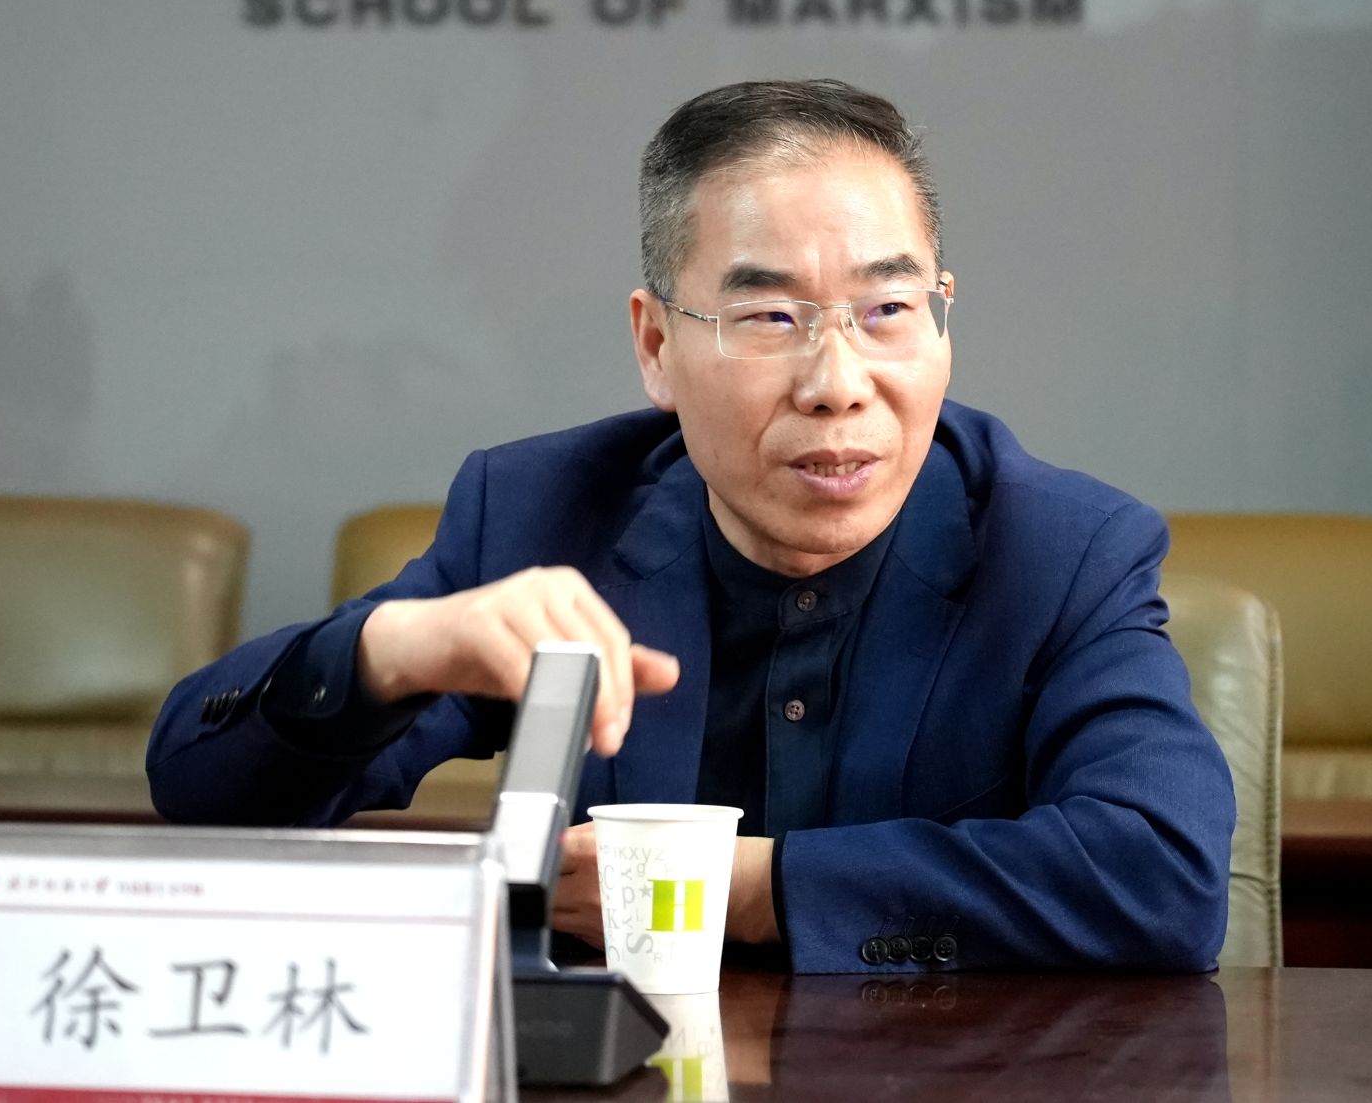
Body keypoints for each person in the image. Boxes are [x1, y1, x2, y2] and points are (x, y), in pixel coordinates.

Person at [148, 78, 1234, 973]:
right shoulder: (543, 514)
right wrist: (395, 649)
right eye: (770, 316)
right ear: (656, 346)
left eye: (887, 310)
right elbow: (199, 787)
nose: (837, 382)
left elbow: (1164, 879)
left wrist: (744, 890)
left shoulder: (1061, 550)